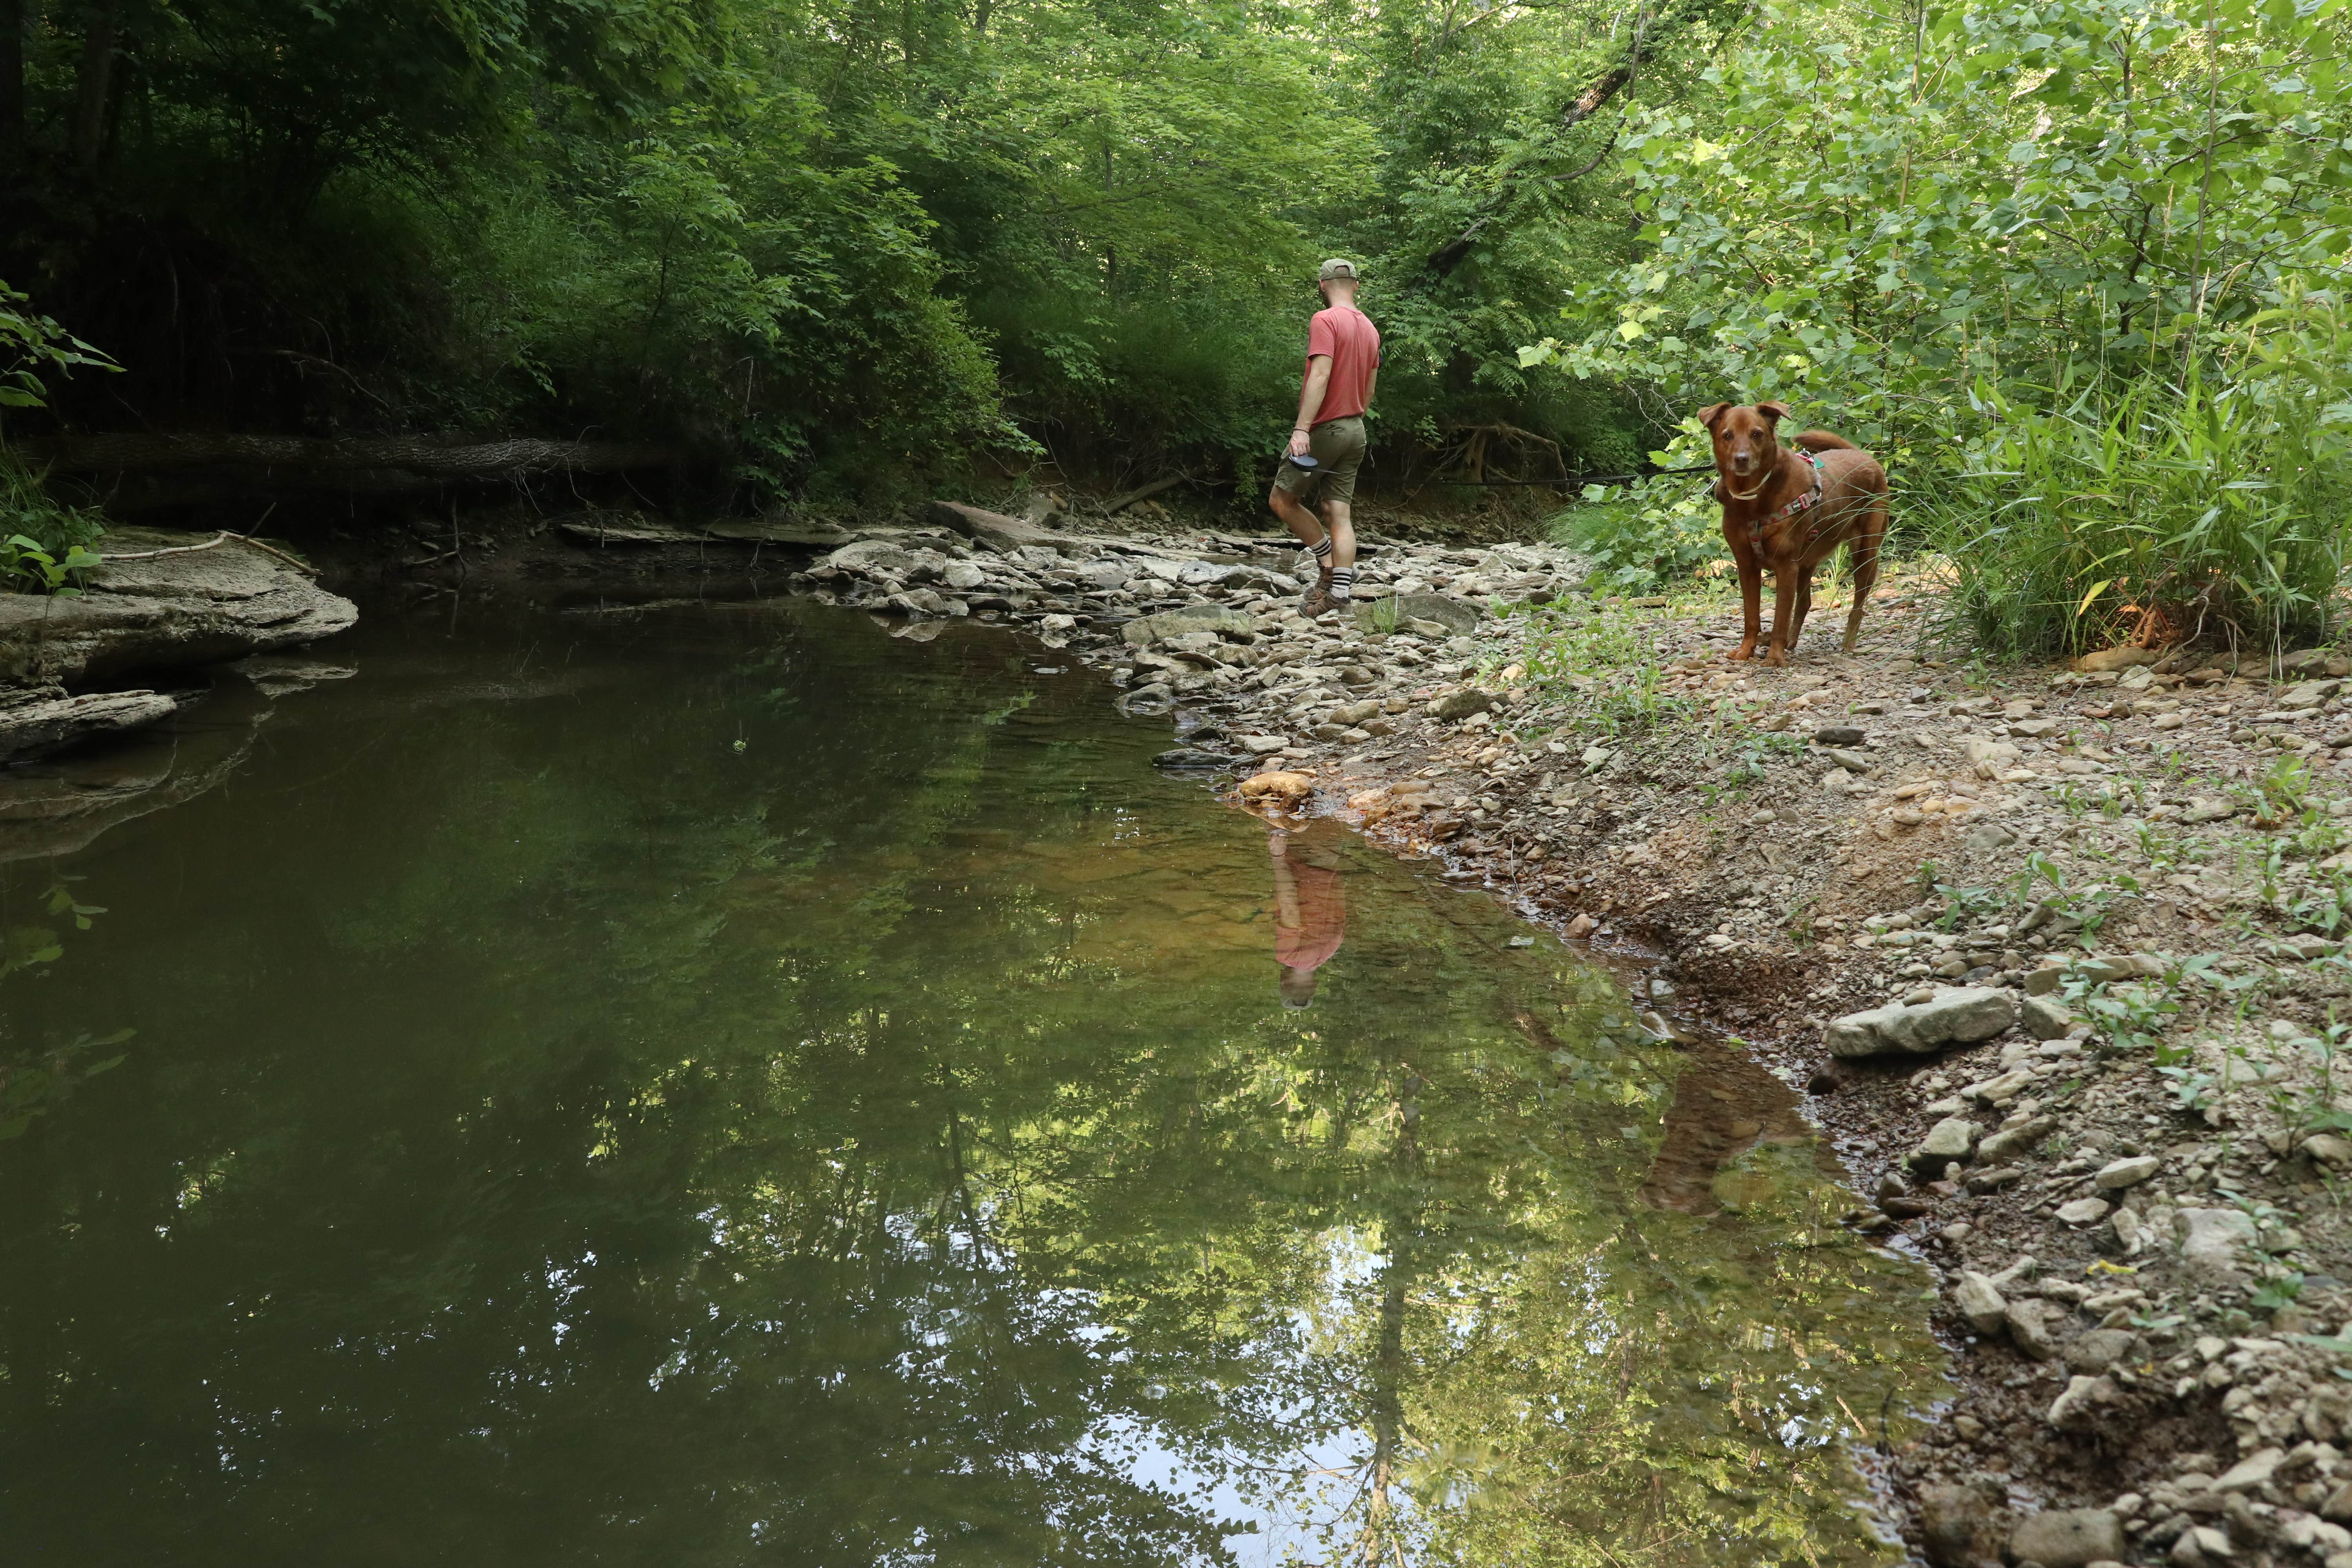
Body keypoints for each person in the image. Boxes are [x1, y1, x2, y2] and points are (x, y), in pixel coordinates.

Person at [1270, 259, 1380, 619]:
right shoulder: (1370, 329)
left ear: (1321, 285)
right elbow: (1370, 387)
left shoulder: (1325, 320)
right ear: (1357, 285)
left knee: (1282, 500)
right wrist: (1356, 412)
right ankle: (1341, 595)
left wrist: (1303, 428)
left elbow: (1320, 375)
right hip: (1356, 429)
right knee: (1339, 512)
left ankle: (1327, 566)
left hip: (1327, 427)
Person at [1267, 824, 1345, 1009]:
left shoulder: (1330, 951)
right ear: (1284, 982)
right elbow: (1290, 909)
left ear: (1315, 985)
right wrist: (1277, 857)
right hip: (1304, 858)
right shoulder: (1289, 957)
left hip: (1330, 859)